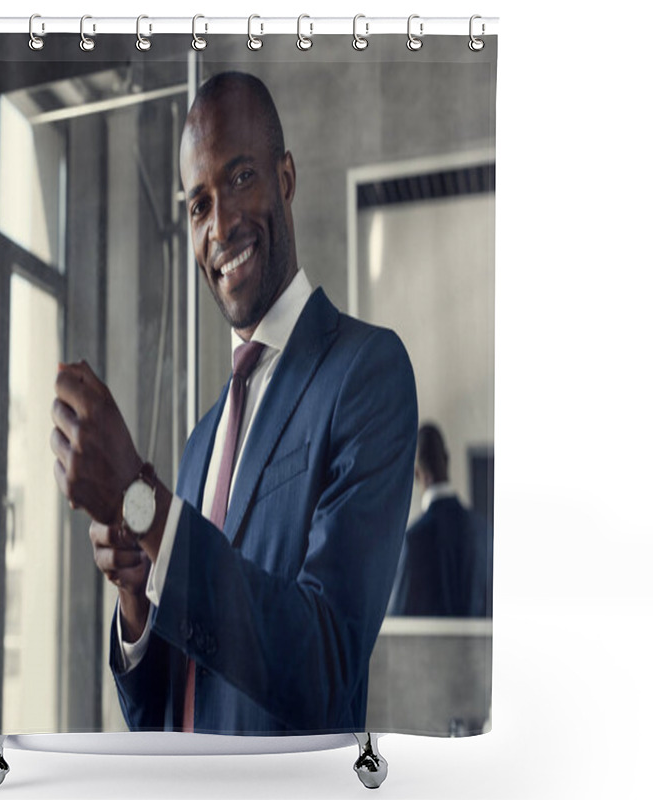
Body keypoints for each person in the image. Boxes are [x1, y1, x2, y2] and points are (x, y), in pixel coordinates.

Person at [51, 71, 417, 735]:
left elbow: (325, 669)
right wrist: (135, 596)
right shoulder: (201, 441)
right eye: (198, 205)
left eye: (241, 178)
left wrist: (144, 503)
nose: (219, 225)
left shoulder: (367, 371)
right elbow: (161, 711)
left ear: (286, 177)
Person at [387, 423, 491, 618]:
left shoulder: (412, 541)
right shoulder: (484, 532)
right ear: (447, 459)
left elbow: (398, 624)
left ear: (416, 473)